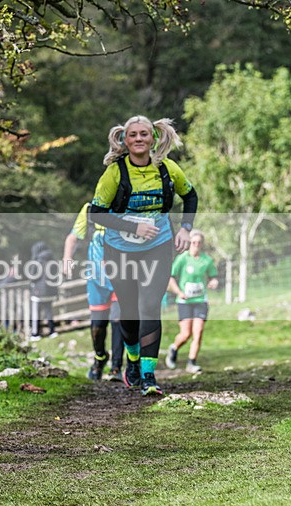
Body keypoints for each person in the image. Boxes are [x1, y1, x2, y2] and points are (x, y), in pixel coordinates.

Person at [88, 115, 198, 396]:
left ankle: (149, 375)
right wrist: (133, 227)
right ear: (125, 140)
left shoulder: (168, 169)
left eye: (144, 134)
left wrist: (186, 229)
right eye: (133, 134)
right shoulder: (115, 172)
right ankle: (133, 360)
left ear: (153, 138)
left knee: (150, 306)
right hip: (119, 250)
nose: (139, 139)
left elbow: (190, 196)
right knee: (128, 311)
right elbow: (96, 213)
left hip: (157, 247)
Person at [63, 202, 125, 381]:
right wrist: (67, 258)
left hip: (122, 277)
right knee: (97, 326)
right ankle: (100, 357)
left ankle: (116, 367)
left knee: (118, 320)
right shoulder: (89, 209)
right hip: (96, 279)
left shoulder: (126, 206)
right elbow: (73, 237)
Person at [165, 229, 218, 373]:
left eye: (199, 243)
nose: (196, 245)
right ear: (189, 243)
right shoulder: (182, 258)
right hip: (184, 302)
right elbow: (171, 277)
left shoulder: (206, 260)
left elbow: (213, 276)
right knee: (185, 334)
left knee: (198, 332)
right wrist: (179, 292)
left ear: (202, 244)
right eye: (194, 242)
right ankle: (174, 348)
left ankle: (191, 363)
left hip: (200, 300)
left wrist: (213, 282)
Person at [30, 241, 58, 340]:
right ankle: (52, 331)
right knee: (49, 312)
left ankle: (35, 334)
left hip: (38, 292)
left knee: (36, 313)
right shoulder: (53, 260)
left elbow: (33, 276)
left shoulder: (37, 261)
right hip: (50, 291)